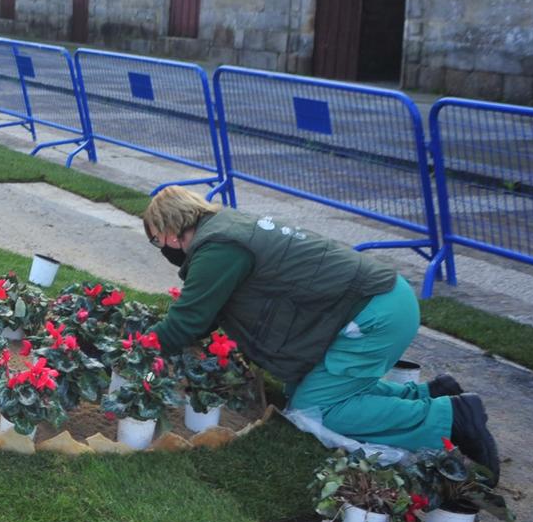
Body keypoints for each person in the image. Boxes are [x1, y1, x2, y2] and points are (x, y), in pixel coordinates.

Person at [141, 186, 500, 475]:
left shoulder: (217, 249)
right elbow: (212, 310)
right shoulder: (226, 228)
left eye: (157, 239)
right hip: (383, 299)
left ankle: (450, 419)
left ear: (171, 231)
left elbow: (190, 320)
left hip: (374, 314)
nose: (162, 249)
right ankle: (427, 394)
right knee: (311, 385)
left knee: (316, 411)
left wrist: (141, 350)